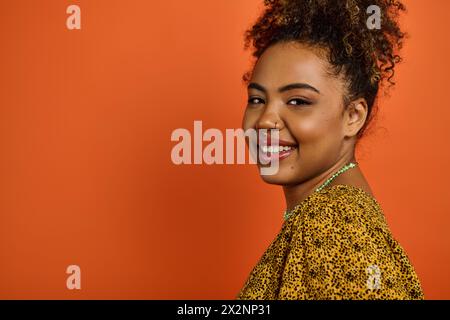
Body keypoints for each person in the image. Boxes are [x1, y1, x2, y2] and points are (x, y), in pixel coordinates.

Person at [237, 0, 424, 299]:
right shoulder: (328, 214)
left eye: (298, 101)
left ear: (353, 116)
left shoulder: (331, 224)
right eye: (257, 100)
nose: (265, 122)